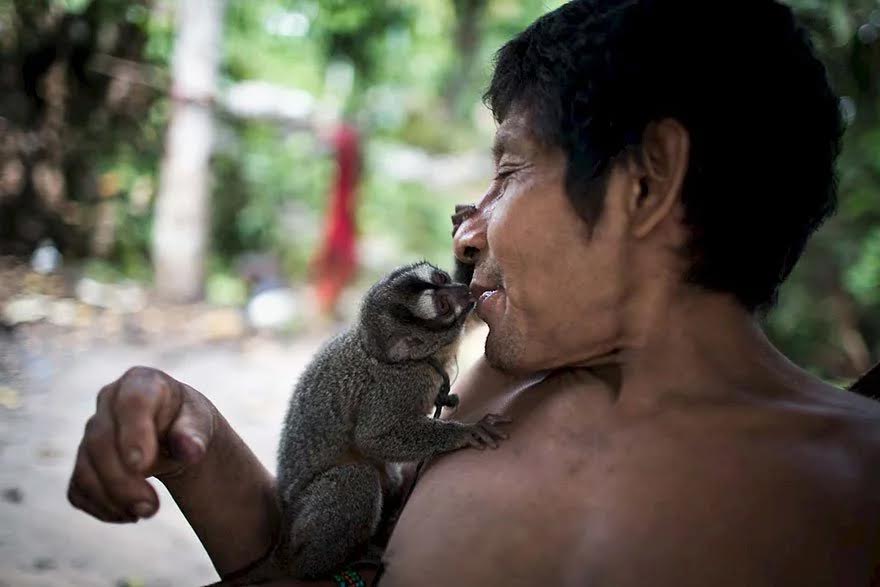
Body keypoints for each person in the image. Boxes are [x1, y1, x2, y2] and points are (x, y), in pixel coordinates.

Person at [67, 1, 880, 585]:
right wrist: (194, 440)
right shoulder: (488, 385)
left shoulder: (856, 489)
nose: (466, 233)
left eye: (508, 170)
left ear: (647, 180)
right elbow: (304, 565)